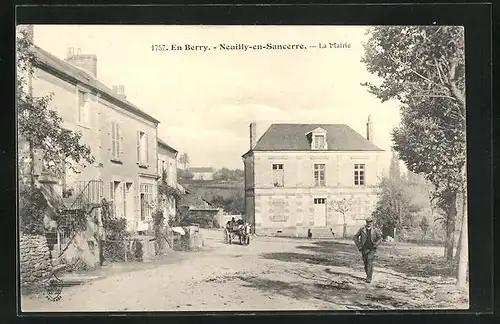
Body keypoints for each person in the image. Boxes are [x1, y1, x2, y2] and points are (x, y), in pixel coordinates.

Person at [353, 217, 383, 283]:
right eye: (368, 222)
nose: (369, 223)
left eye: (370, 222)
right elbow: (355, 237)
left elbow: (380, 238)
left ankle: (369, 277)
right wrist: (359, 245)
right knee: (366, 262)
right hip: (364, 248)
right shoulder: (362, 229)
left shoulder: (375, 229)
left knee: (369, 260)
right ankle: (368, 275)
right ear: (366, 222)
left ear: (372, 222)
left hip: (372, 248)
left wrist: (376, 245)